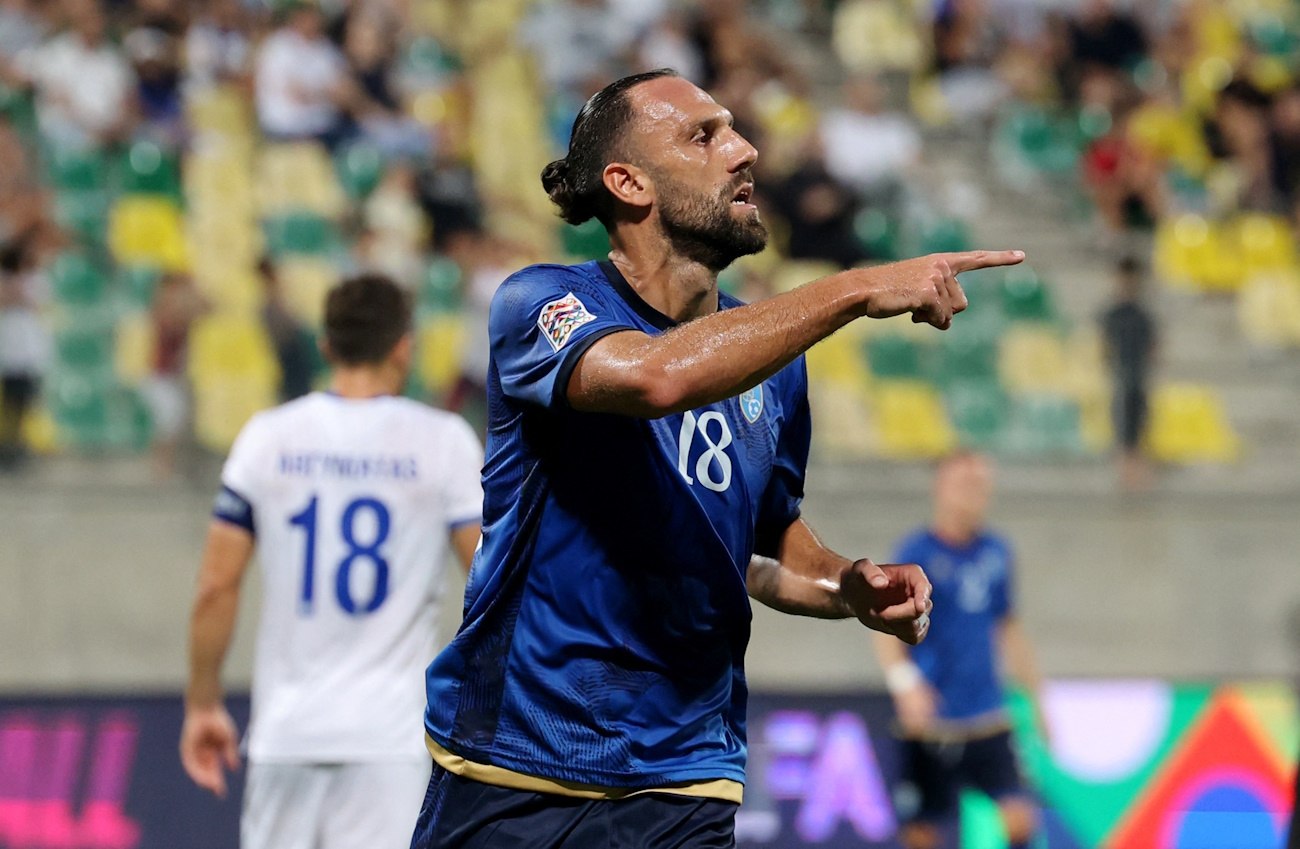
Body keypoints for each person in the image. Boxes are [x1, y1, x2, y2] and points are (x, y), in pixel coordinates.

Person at [411, 68, 1025, 848]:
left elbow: (767, 546)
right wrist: (859, 288)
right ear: (628, 182)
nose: (745, 150)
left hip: (687, 779)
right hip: (516, 771)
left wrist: (849, 583)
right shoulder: (538, 303)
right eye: (704, 136)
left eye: (733, 128)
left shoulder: (772, 364)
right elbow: (657, 376)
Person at [179, 274, 485, 849]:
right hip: (388, 740)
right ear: (403, 346)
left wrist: (202, 703)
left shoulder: (267, 438)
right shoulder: (443, 442)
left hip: (287, 734)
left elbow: (216, 586)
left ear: (326, 346)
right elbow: (491, 584)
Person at [872, 452, 1046, 849]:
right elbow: (882, 626)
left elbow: (1008, 627)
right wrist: (906, 685)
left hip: (987, 715)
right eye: (965, 484)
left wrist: (1038, 698)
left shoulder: (997, 552)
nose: (975, 494)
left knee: (1020, 821)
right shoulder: (916, 551)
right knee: (922, 833)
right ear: (941, 490)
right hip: (934, 720)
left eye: (981, 486)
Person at [1100, 257, 1157, 491]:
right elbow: (1104, 347)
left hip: (1137, 375)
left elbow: (1153, 347)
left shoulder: (1142, 315)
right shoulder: (1113, 314)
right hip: (1121, 375)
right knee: (1124, 424)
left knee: (1138, 422)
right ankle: (1127, 473)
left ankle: (1135, 473)